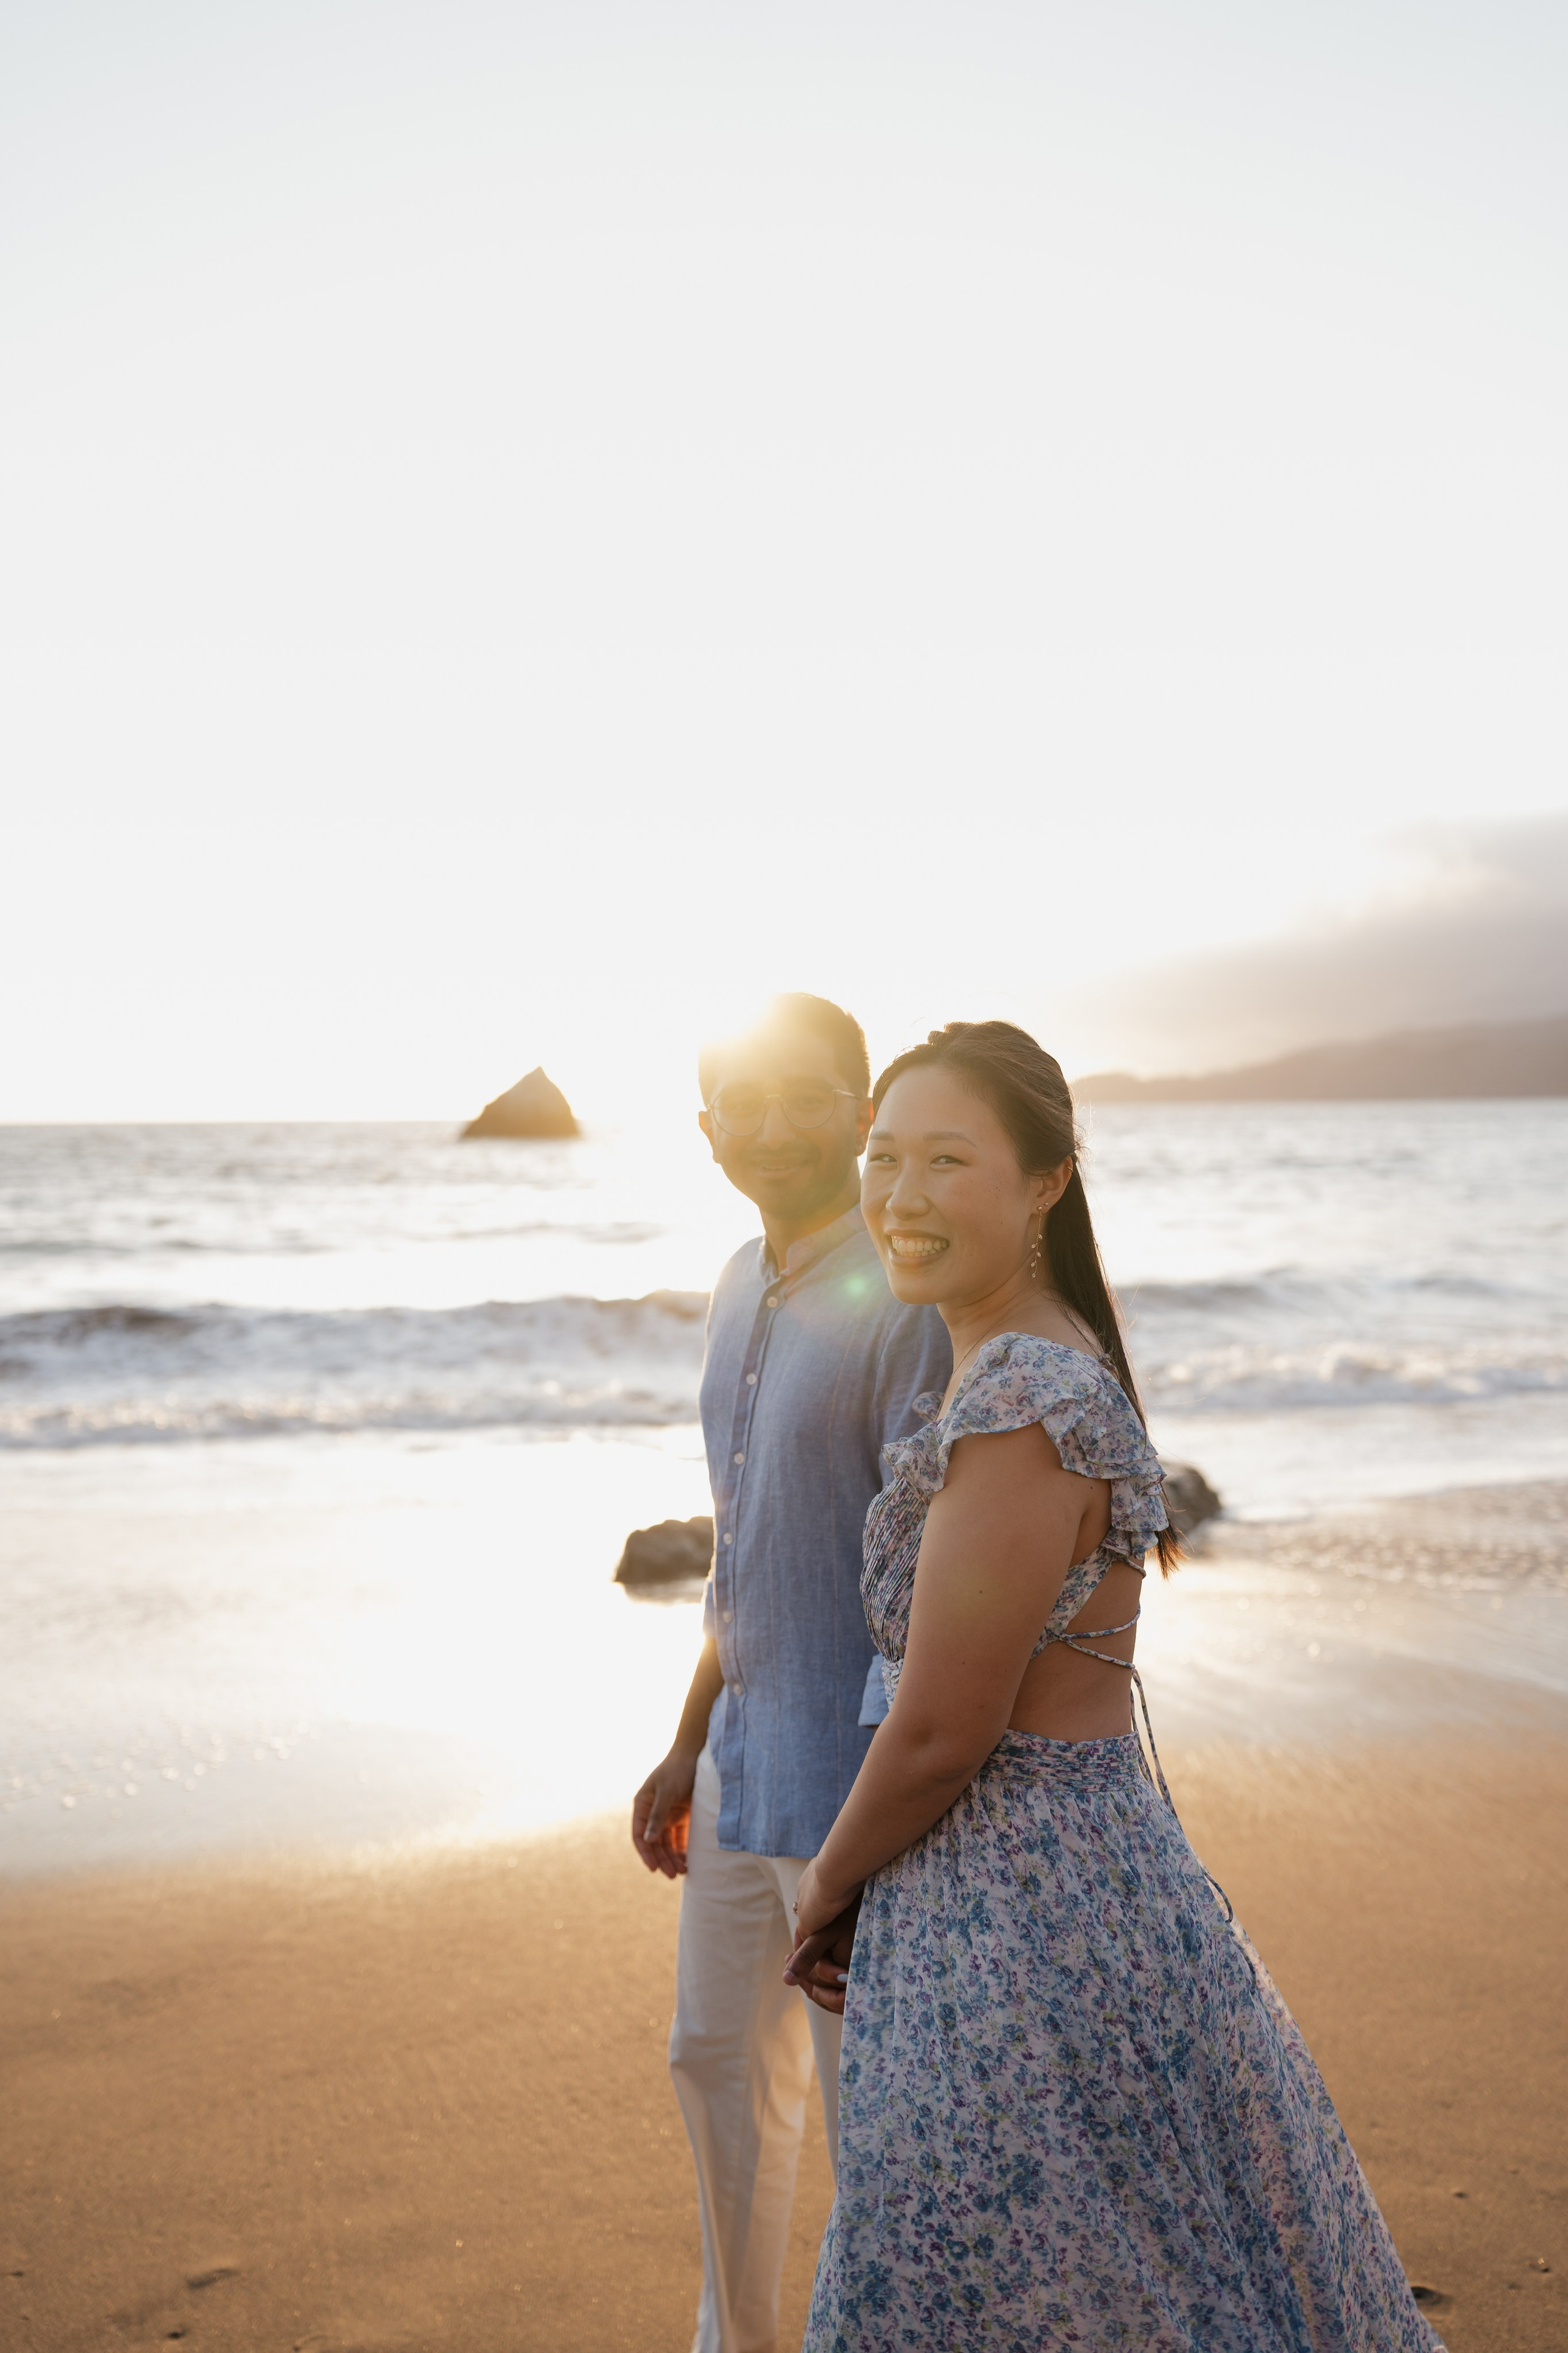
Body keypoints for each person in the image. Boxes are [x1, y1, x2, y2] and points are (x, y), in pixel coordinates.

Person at [786, 1021, 1442, 2353]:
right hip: (1058, 1877)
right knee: (1126, 2266)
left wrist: (827, 1879)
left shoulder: (1022, 1391)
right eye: (881, 1156)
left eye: (945, 1160)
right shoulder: (1022, 1356)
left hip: (1018, 1905)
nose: (899, 1197)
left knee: (989, 2274)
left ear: (1043, 1181)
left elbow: (942, 1725)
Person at [633, 992, 950, 2353]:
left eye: (804, 1096)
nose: (770, 1129)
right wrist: (682, 1738)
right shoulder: (727, 1283)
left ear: (862, 1101)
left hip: (850, 1791)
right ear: (704, 1131)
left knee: (859, 2102)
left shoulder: (903, 1299)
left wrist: (885, 1817)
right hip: (737, 1762)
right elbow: (741, 1548)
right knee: (712, 2068)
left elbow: (920, 1586)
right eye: (738, 1105)